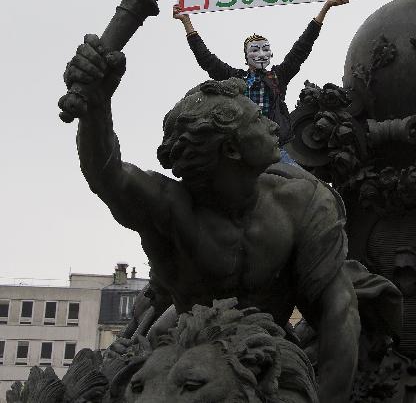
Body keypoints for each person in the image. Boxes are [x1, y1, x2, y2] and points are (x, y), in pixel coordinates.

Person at [61, 43, 360, 403]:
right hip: (188, 356)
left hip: (269, 359)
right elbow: (106, 173)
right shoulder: (173, 209)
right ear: (232, 150)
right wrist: (97, 105)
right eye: (255, 120)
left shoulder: (303, 201)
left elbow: (339, 311)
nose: (271, 123)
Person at [172, 0, 348, 153]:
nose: (261, 54)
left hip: (274, 143)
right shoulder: (235, 79)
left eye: (266, 49)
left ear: (271, 54)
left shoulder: (278, 76)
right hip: (241, 142)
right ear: (246, 57)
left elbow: (302, 48)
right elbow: (207, 60)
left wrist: (325, 8)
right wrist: (186, 22)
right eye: (255, 50)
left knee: (296, 178)